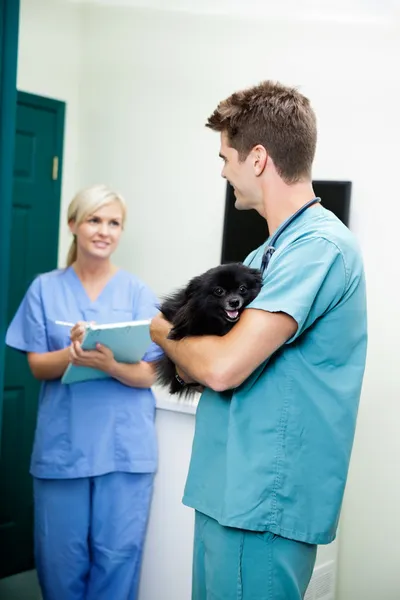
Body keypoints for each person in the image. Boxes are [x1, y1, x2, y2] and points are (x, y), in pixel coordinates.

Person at [150, 81, 368, 599]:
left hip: (263, 504)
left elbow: (220, 367)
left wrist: (162, 331)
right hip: (226, 491)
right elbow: (191, 366)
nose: (223, 170)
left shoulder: (319, 247)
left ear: (258, 158)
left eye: (226, 157)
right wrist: (189, 356)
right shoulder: (261, 257)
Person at [6, 184, 163, 600]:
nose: (104, 231)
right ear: (73, 224)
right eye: (94, 219)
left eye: (114, 223)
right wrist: (74, 355)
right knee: (61, 559)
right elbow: (39, 365)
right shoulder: (44, 288)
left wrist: (110, 363)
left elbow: (150, 373)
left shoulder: (136, 293)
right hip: (65, 448)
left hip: (123, 449)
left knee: (118, 556)